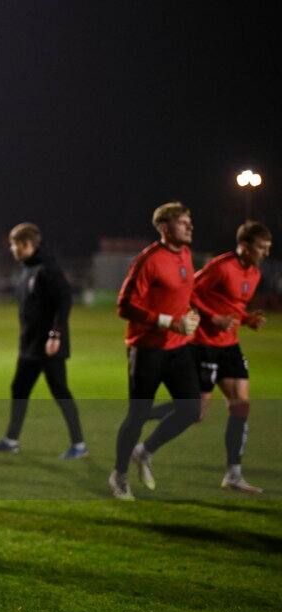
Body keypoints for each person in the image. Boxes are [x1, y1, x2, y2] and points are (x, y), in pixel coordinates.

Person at [110, 202, 201, 500]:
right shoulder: (148, 260)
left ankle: (145, 451)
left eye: (189, 222)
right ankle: (119, 475)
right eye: (182, 222)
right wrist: (166, 322)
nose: (189, 227)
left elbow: (184, 294)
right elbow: (124, 306)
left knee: (191, 410)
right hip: (146, 349)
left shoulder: (186, 253)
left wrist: (191, 317)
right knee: (136, 416)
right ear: (164, 228)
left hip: (177, 349)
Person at [0, 223, 87, 458]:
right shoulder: (27, 269)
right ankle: (11, 440)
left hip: (49, 346)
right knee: (19, 388)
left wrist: (55, 335)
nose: (11, 249)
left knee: (60, 391)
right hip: (30, 346)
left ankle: (79, 445)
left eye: (14, 245)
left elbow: (64, 302)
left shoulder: (47, 269)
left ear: (26, 244)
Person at [189, 221, 271, 493]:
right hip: (204, 344)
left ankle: (233, 474)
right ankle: (143, 442)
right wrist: (212, 317)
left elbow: (233, 305)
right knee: (194, 414)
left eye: (268, 248)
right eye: (261, 247)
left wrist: (246, 319)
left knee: (241, 407)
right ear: (245, 246)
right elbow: (188, 291)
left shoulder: (254, 274)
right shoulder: (221, 267)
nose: (266, 253)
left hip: (230, 345)